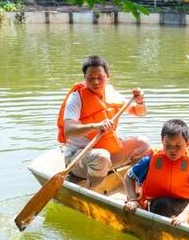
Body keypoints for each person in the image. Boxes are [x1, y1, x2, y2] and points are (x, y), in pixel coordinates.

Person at [57, 55, 150, 188]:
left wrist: (140, 101)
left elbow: (139, 112)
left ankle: (132, 184)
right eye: (91, 78)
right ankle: (91, 190)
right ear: (84, 78)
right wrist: (95, 126)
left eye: (99, 77)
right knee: (101, 156)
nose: (95, 82)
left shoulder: (111, 93)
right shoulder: (76, 98)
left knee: (143, 144)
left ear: (107, 76)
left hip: (106, 153)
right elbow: (68, 130)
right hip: (79, 157)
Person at [123, 119, 189, 230]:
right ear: (162, 141)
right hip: (158, 205)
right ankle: (168, 229)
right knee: (162, 203)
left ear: (188, 144)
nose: (172, 150)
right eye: (168, 145)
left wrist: (186, 214)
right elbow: (128, 177)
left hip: (185, 203)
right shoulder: (151, 160)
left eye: (178, 146)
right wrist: (133, 200)